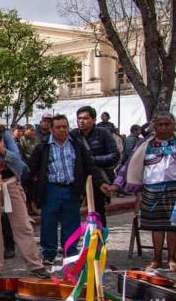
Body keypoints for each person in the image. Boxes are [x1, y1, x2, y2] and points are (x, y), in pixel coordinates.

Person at [0, 119, 50, 279]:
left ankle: (35, 264)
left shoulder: (4, 135)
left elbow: (17, 159)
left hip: (10, 182)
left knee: (23, 225)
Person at [105, 112, 176, 270]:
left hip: (174, 190)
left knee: (173, 226)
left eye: (167, 124)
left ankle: (172, 258)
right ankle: (157, 259)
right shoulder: (145, 145)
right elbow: (128, 166)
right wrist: (116, 185)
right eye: (160, 125)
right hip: (151, 190)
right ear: (154, 127)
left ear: (174, 125)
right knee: (156, 226)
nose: (163, 128)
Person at [28, 114, 101, 265]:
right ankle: (49, 254)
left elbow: (89, 166)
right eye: (58, 127)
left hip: (71, 189)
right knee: (48, 223)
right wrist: (28, 192)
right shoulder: (43, 146)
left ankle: (70, 252)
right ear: (52, 129)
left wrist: (101, 184)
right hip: (51, 190)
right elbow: (31, 169)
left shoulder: (76, 145)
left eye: (64, 127)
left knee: (71, 223)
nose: (62, 130)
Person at [70, 105, 120, 225]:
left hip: (97, 178)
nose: (81, 121)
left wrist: (92, 160)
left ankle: (99, 239)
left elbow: (114, 156)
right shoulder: (73, 134)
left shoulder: (103, 134)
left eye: (85, 118)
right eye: (79, 118)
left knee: (98, 212)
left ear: (93, 120)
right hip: (77, 179)